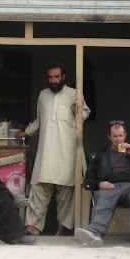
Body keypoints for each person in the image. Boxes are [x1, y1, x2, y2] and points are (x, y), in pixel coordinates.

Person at [15, 62, 91, 236]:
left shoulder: (74, 94)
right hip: (46, 151)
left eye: (57, 77)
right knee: (39, 188)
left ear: (63, 77)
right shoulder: (43, 95)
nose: (53, 80)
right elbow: (40, 120)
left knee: (66, 191)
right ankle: (33, 226)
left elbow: (85, 114)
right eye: (50, 77)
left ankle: (63, 227)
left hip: (67, 151)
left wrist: (76, 111)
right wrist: (25, 132)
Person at [75, 121, 130, 248]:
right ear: (109, 137)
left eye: (121, 136)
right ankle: (94, 233)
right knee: (104, 196)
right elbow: (87, 182)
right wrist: (99, 183)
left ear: (125, 136)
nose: (118, 139)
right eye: (115, 136)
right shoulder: (100, 155)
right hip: (110, 187)